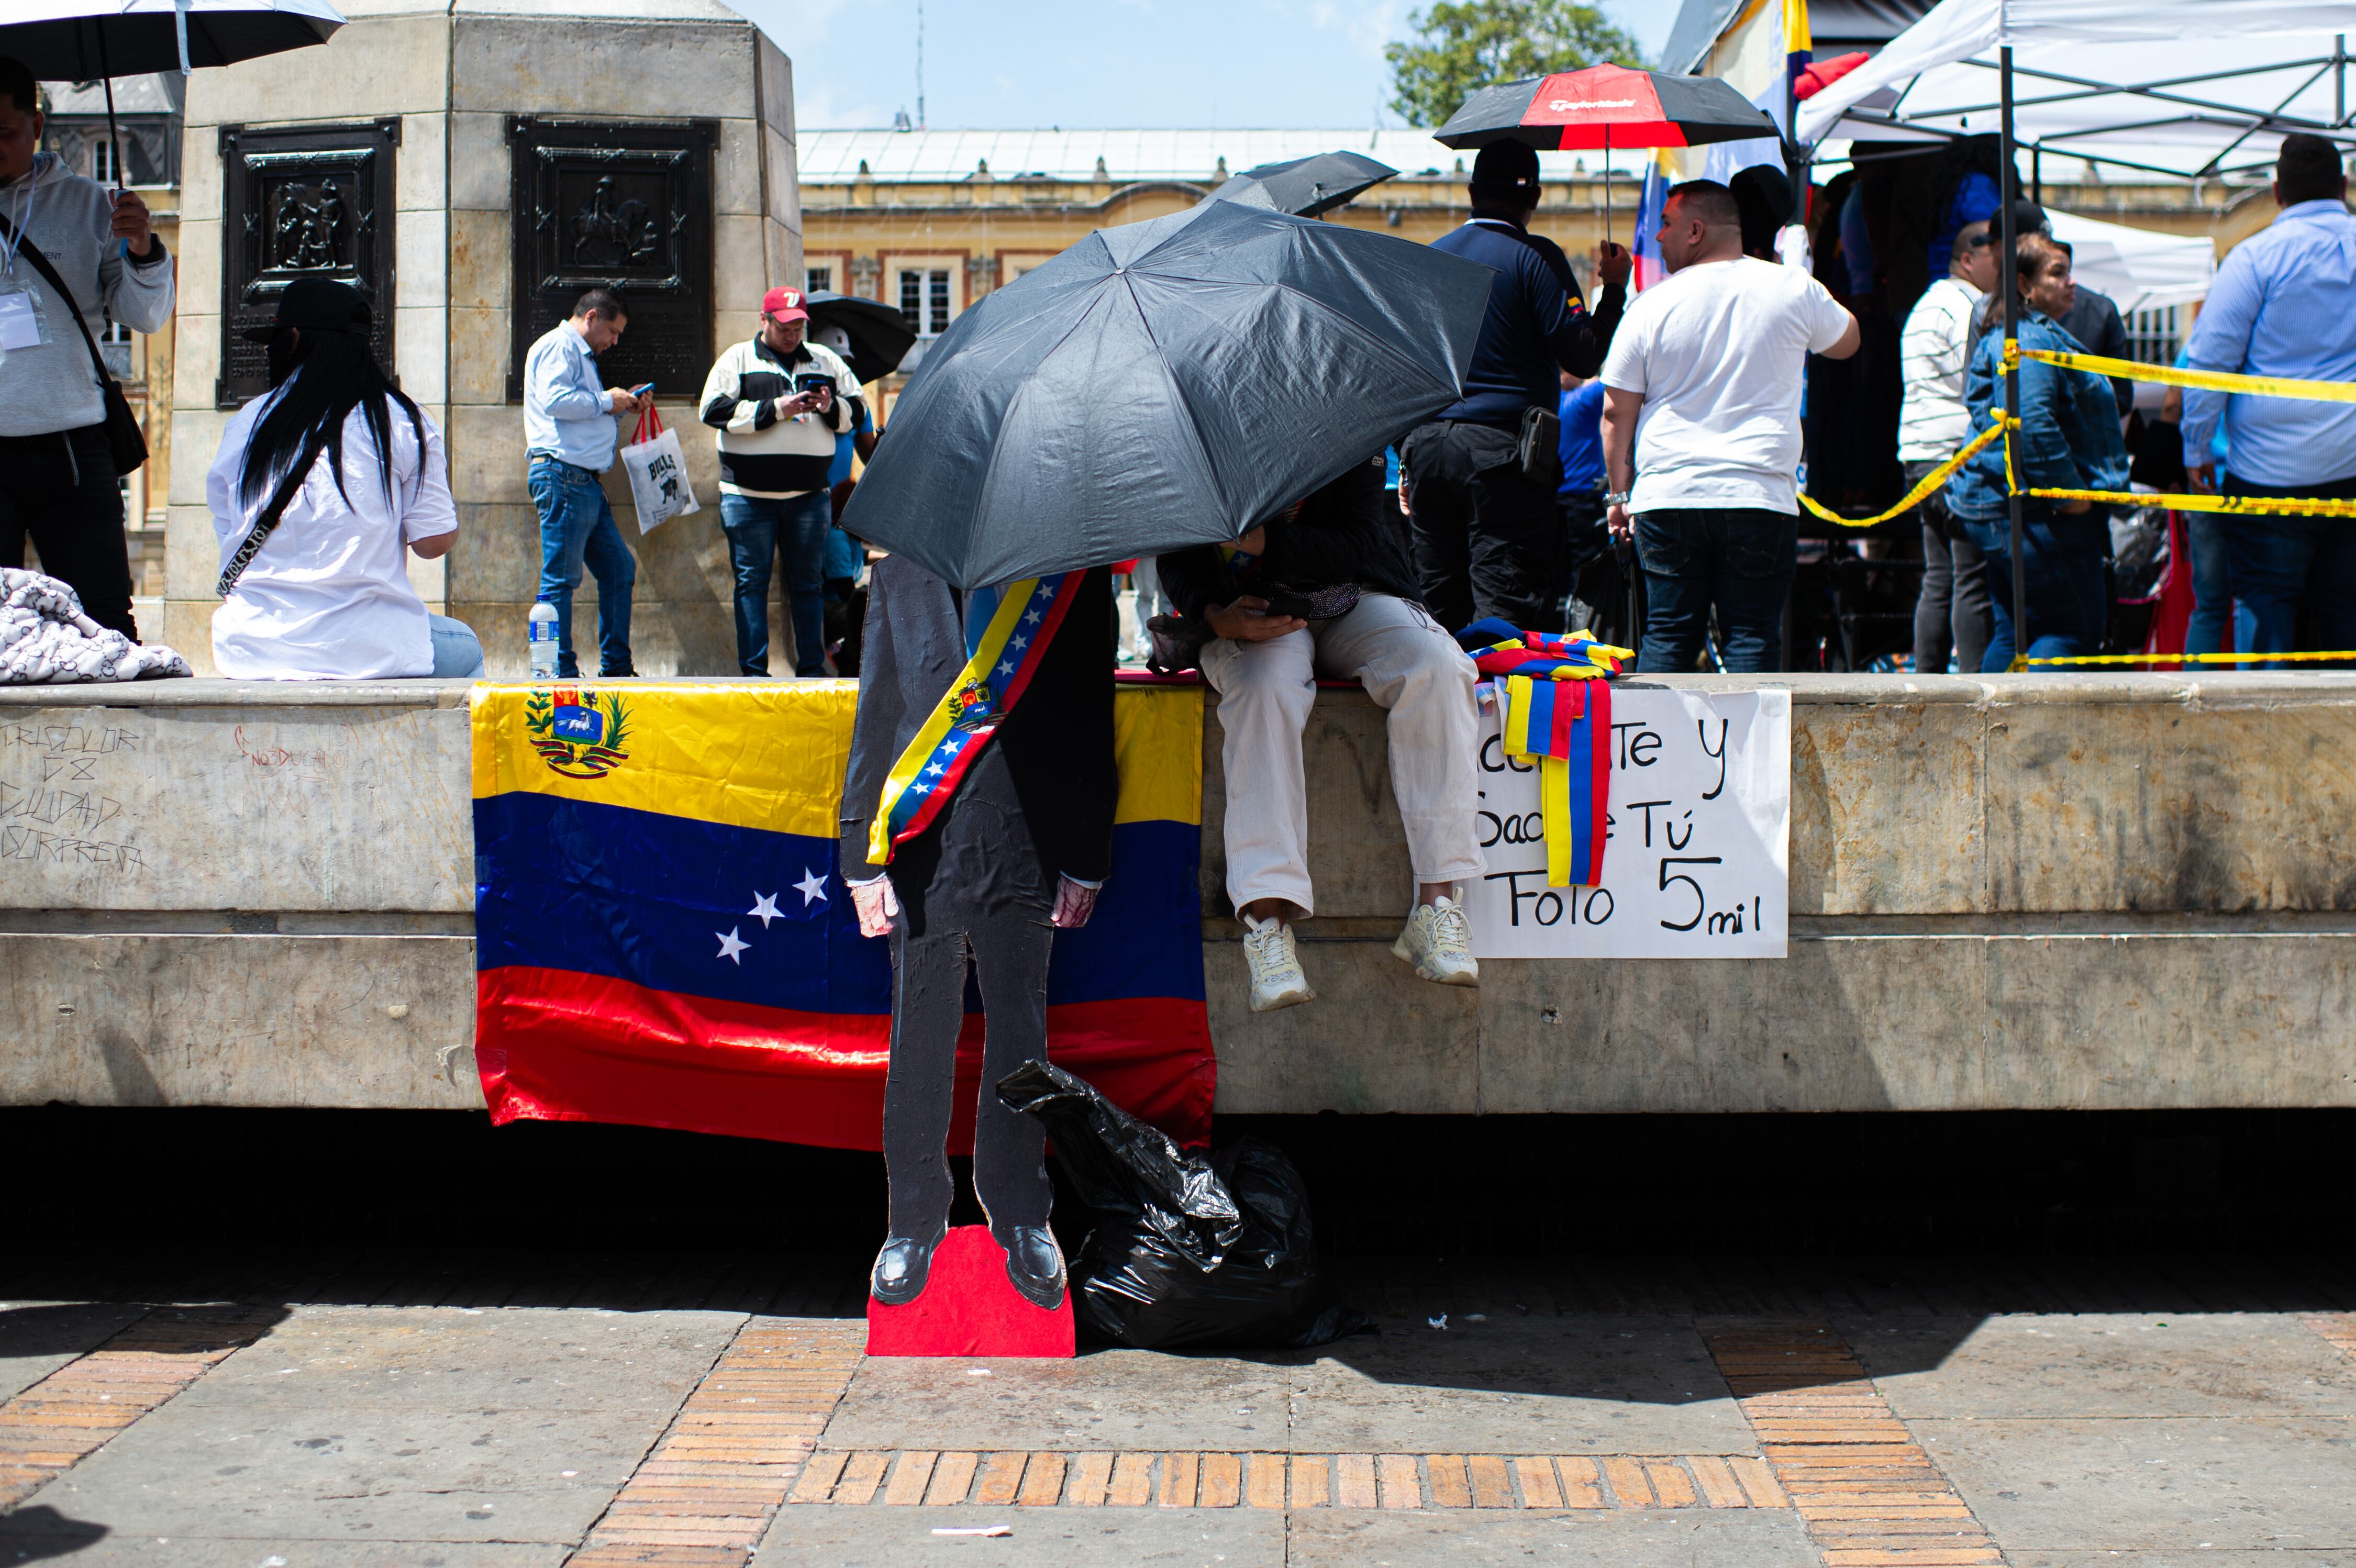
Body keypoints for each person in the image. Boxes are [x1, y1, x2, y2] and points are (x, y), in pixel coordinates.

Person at [840, 558, 1117, 1311]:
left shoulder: (1072, 572)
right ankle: (912, 1220)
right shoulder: (901, 569)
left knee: (1020, 1030)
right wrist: (858, 854)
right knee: (920, 1030)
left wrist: (1086, 853)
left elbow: (1092, 710)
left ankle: (1021, 1211)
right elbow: (879, 709)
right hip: (923, 837)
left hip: (1028, 830)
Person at [1157, 452, 1481, 1014]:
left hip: (1356, 594)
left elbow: (1356, 543)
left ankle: (1438, 904)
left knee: (1437, 665)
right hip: (1249, 612)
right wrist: (1213, 614)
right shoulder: (1199, 433)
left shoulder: (1342, 417)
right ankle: (1266, 919)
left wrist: (1262, 541)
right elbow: (1175, 550)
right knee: (1263, 687)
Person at [1598, 180, 1861, 673]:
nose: (1658, 238)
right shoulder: (1791, 287)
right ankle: (1745, 753)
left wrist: (1618, 497)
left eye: (1667, 225)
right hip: (1759, 496)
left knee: (1671, 635)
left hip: (1670, 497)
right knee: (1753, 640)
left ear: (1696, 231)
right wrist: (1802, 296)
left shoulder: (1649, 305)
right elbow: (1848, 340)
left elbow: (1616, 413)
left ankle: (1659, 751)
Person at [1402, 140, 1630, 633]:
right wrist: (1613, 289)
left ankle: (1441, 707)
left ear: (1471, 192)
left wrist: (1407, 456)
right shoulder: (1536, 257)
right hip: (1502, 456)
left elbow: (1406, 366)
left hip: (1428, 450)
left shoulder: (1430, 259)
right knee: (1506, 608)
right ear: (1536, 197)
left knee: (1437, 609)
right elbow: (1584, 355)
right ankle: (1497, 710)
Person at [205, 278, 482, 680]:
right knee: (468, 649)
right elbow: (432, 543)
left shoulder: (247, 422)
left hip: (250, 646)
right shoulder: (401, 421)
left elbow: (229, 529)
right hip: (367, 645)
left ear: (294, 338)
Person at [0, 57, 175, 640]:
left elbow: (145, 314)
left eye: (5, 134)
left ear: (38, 127)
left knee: (104, 623)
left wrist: (145, 249)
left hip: (72, 445)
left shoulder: (90, 205)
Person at [2181, 134, 2356, 666]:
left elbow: (2210, 359)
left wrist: (2196, 448)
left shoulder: (2253, 257)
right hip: (2351, 468)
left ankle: (2261, 747)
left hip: (2266, 476)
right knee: (2346, 624)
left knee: (2265, 625)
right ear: (2344, 186)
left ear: (2277, 192)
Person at [1948, 233, 2128, 670]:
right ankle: (2035, 739)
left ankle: (1992, 733)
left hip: (2015, 513)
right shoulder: (2028, 340)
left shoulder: (2020, 333)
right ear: (2026, 284)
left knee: (2015, 633)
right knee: (2068, 631)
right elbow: (2033, 425)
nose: (2070, 283)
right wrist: (2071, 499)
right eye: (2057, 272)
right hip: (2043, 518)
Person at [699, 287, 862, 676]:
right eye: (785, 326)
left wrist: (828, 406)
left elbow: (856, 411)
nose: (792, 335)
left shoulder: (825, 360)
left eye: (799, 327)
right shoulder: (737, 359)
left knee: (807, 585)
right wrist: (777, 409)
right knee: (752, 585)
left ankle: (810, 669)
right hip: (748, 497)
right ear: (765, 321)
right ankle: (754, 672)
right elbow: (712, 410)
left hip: (808, 497)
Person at [524, 287, 643, 679]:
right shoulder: (560, 345)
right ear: (591, 317)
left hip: (582, 481)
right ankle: (557, 670)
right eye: (613, 330)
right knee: (560, 578)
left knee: (619, 567)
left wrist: (619, 406)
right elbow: (556, 400)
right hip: (563, 476)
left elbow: (577, 411)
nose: (615, 341)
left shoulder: (579, 354)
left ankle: (617, 667)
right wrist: (608, 400)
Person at [1899, 220, 1999, 674]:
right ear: (1968, 260)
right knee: (1969, 578)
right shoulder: (1967, 308)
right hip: (1952, 454)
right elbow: (1979, 374)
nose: (2000, 267)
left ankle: (1928, 680)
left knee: (1940, 576)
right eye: (1994, 258)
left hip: (1920, 453)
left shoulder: (1925, 304)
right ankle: (1973, 689)